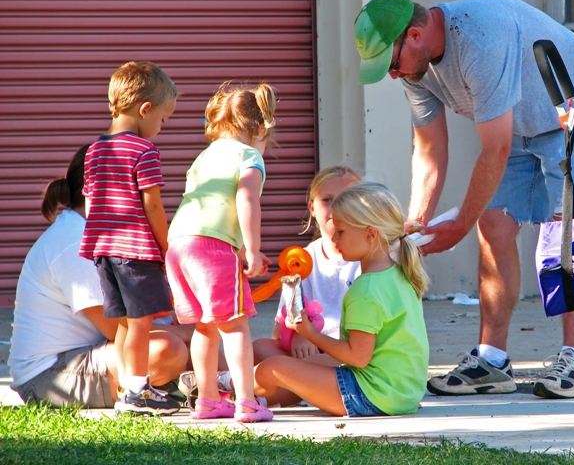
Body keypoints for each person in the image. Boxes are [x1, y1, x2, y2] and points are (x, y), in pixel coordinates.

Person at [353, 0, 574, 399]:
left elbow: (494, 150)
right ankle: (492, 361)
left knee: (568, 231)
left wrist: (458, 226)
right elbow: (428, 150)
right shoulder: (415, 71)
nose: (392, 75)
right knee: (493, 224)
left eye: (391, 64)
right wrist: (416, 224)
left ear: (415, 35)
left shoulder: (480, 39)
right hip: (516, 126)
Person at [9, 146, 189, 408]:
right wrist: (187, 333)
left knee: (194, 348)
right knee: (168, 350)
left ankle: (215, 389)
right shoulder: (74, 241)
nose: (147, 202)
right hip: (48, 375)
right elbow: (116, 329)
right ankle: (162, 387)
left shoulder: (107, 236)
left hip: (95, 354)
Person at [253, 182, 430, 417]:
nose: (333, 237)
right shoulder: (399, 274)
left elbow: (357, 357)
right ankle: (248, 398)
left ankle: (223, 387)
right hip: (401, 393)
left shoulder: (366, 290)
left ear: (370, 234)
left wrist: (310, 333)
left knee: (273, 367)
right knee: (311, 365)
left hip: (370, 396)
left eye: (341, 231)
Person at [165, 82, 276, 422]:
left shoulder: (204, 157)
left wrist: (239, 250)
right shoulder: (249, 155)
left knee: (205, 326)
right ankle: (246, 401)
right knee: (236, 325)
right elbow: (245, 199)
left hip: (179, 245)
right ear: (259, 128)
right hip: (211, 249)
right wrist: (254, 250)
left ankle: (209, 400)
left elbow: (214, 209)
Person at [78, 61, 182, 414]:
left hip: (103, 251)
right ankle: (138, 390)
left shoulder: (94, 151)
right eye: (163, 119)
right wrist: (167, 245)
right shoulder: (143, 151)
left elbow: (91, 203)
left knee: (123, 323)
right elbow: (152, 203)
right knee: (140, 323)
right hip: (135, 251)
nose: (161, 128)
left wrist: (98, 244)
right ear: (145, 109)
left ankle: (127, 387)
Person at [250, 165, 362, 407]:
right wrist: (298, 336)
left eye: (346, 200)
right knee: (259, 348)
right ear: (312, 207)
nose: (337, 208)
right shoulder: (301, 259)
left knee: (282, 369)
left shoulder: (367, 258)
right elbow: (280, 330)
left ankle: (235, 390)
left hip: (349, 355)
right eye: (328, 200)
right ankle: (240, 392)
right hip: (309, 354)